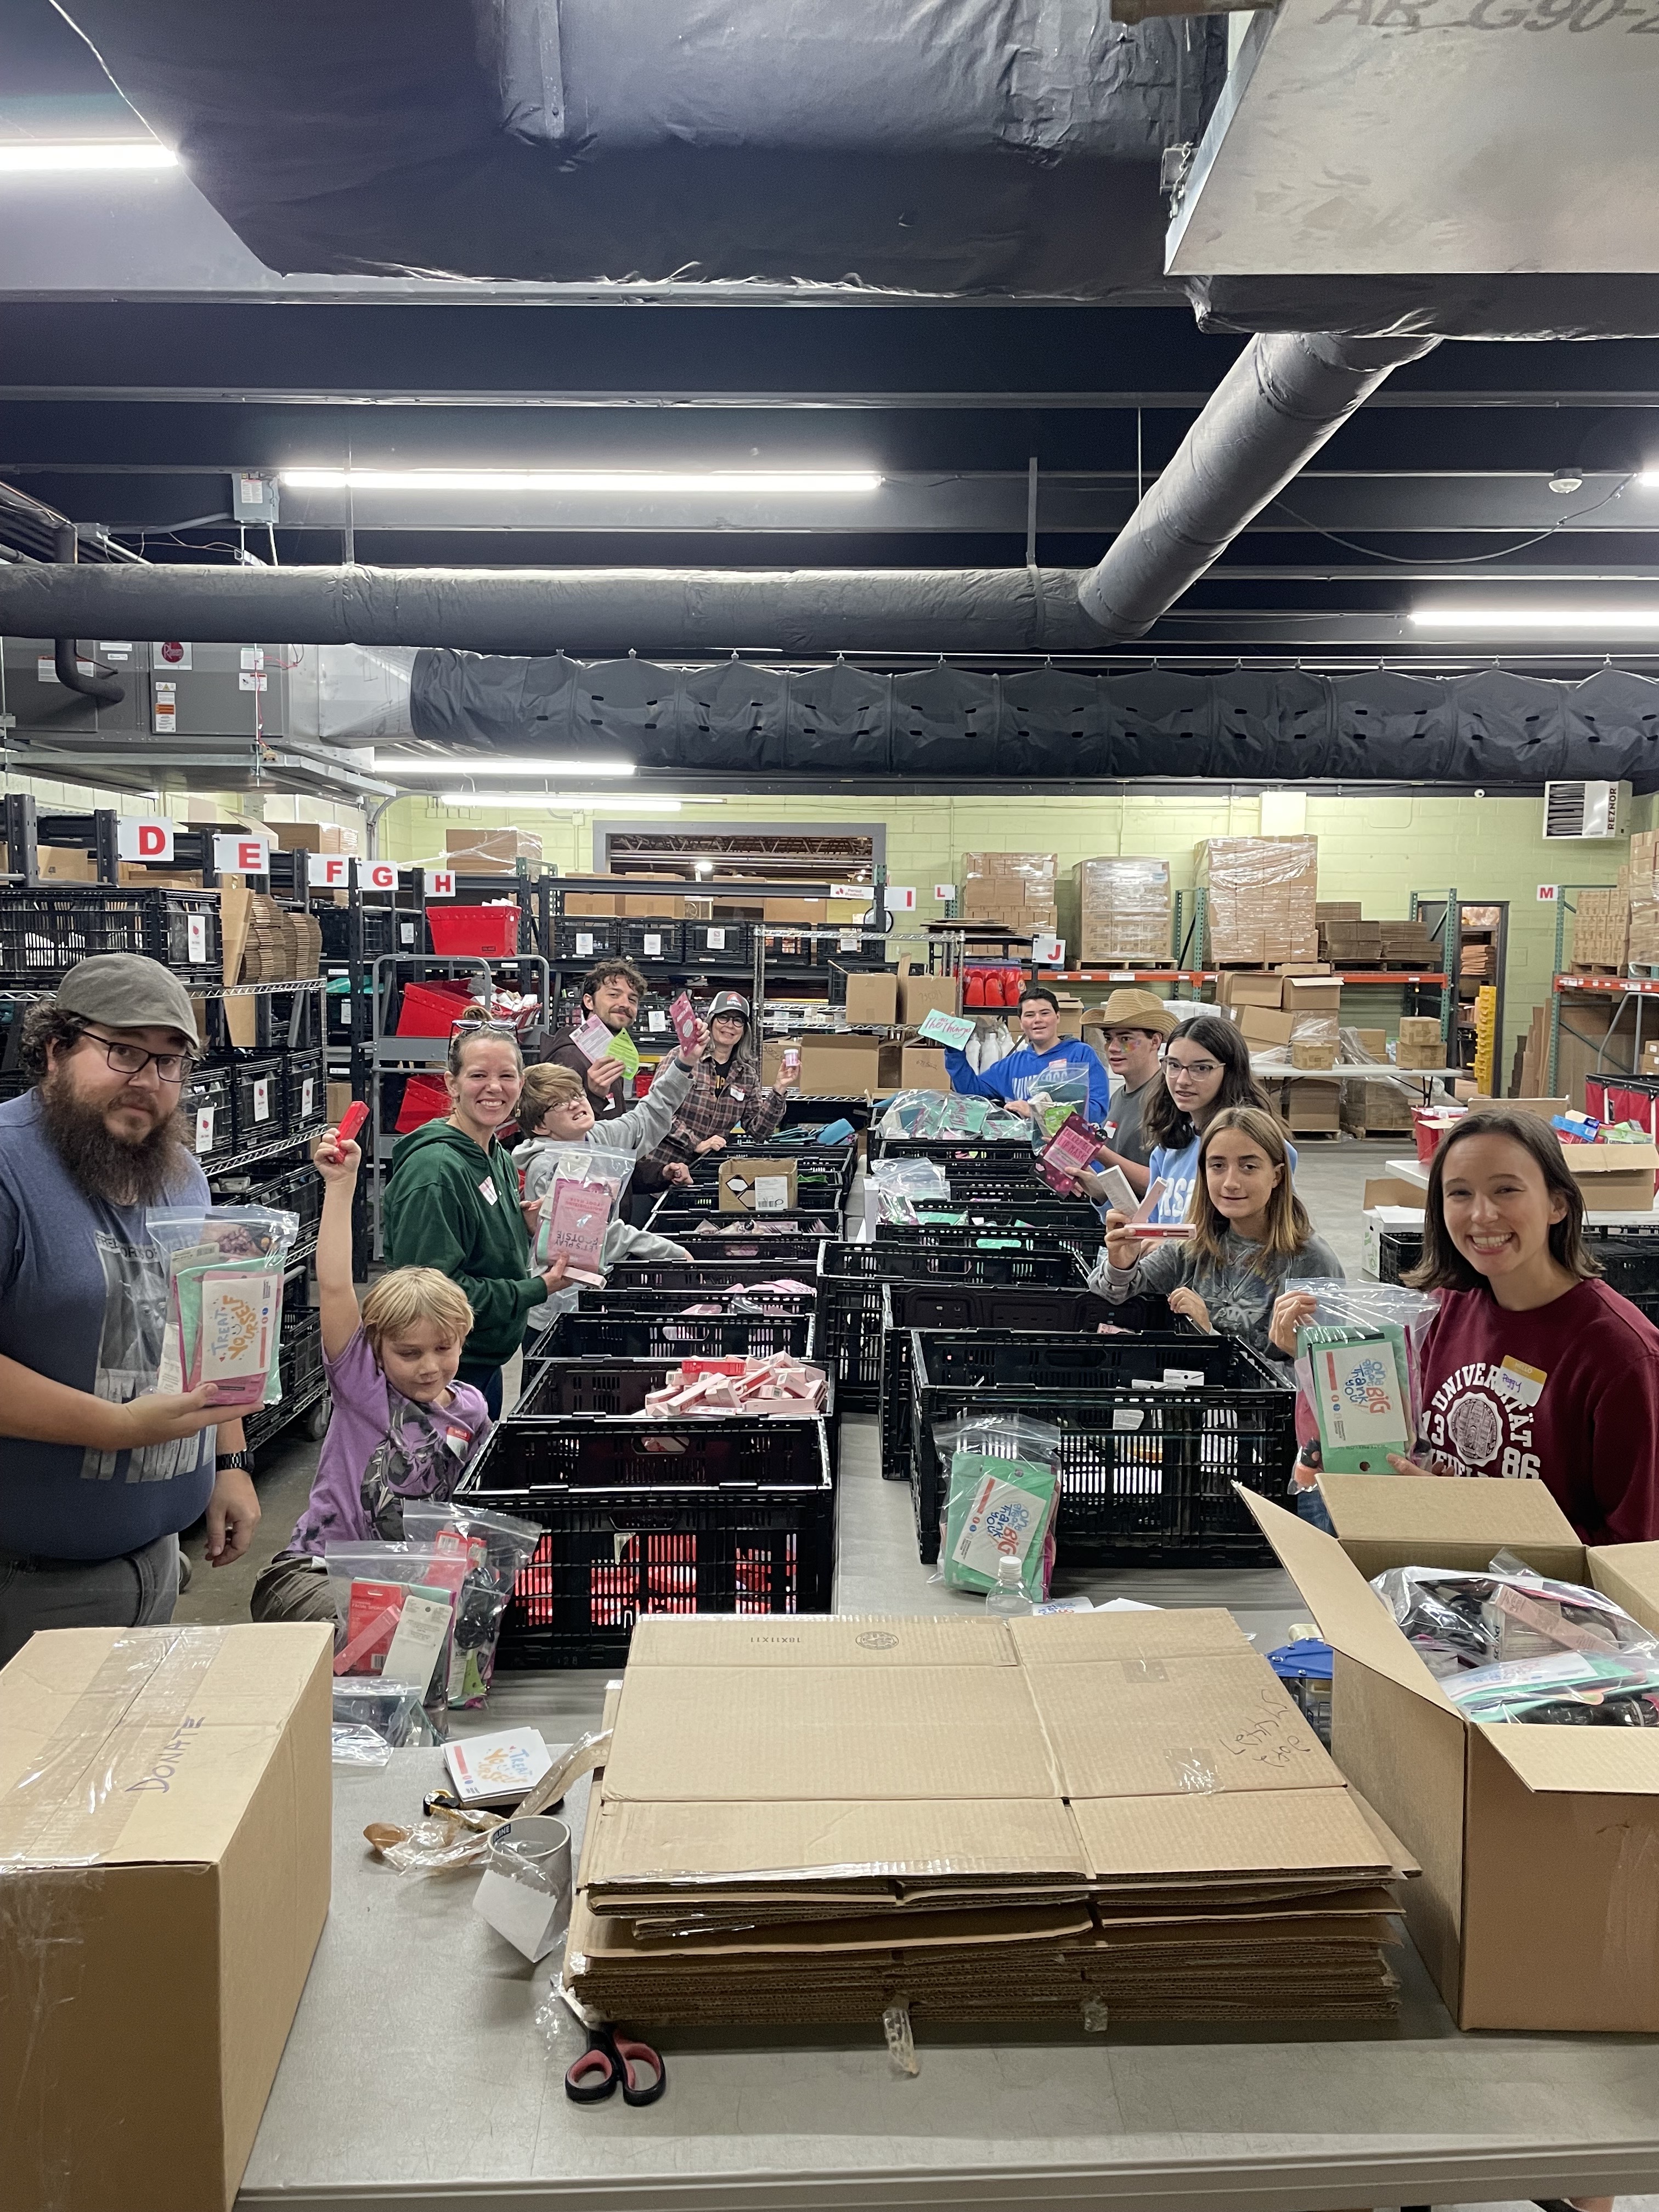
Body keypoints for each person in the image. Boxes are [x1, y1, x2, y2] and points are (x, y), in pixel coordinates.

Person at [0, 954, 259, 1667]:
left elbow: (206, 1314)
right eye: (124, 1053)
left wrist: (229, 1459)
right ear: (55, 1049)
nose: (149, 1081)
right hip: (30, 1587)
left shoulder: (178, 1173)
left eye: (170, 1062)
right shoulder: (7, 1168)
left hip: (157, 1565)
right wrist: (114, 1428)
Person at [1338, 1108, 1657, 1545]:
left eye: (1506, 1190)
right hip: (1447, 1582)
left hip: (1560, 1607)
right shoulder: (1446, 1308)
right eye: (1460, 1193)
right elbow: (1417, 1447)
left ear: (1557, 1203)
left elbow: (1635, 1548)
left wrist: (1472, 1518)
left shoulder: (1622, 1354)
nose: (1482, 1215)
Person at [250, 1121, 493, 1624]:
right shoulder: (363, 1387)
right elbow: (336, 1286)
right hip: (320, 1572)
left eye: (443, 1349)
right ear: (376, 1349)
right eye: (408, 1353)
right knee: (378, 1635)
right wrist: (340, 1188)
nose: (429, 1367)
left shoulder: (472, 1409)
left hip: (418, 1585)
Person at [381, 1020, 569, 1418]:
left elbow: (468, 1235)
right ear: (452, 1084)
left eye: (506, 1076)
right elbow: (433, 1295)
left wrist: (518, 1224)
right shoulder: (435, 1173)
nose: (494, 1088)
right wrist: (537, 1289)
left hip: (483, 1357)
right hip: (444, 1372)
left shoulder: (492, 1151)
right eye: (478, 1075)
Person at [1093, 1107, 1341, 1362]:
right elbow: (1111, 1296)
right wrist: (1121, 1263)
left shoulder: (1311, 1262)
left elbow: (1326, 1378)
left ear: (1276, 1176)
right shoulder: (1194, 1244)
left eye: (1249, 1167)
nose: (1230, 1183)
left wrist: (1210, 1335)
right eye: (1218, 1166)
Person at [513, 1024, 707, 1337]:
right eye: (559, 1103)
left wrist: (684, 1063)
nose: (576, 1103)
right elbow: (594, 1234)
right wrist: (663, 1249)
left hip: (592, 1293)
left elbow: (645, 1118)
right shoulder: (549, 1167)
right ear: (539, 1126)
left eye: (576, 1094)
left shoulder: (596, 1137)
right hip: (556, 1311)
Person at [1134, 1013, 1290, 1228]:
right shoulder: (1168, 1149)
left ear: (1231, 1071)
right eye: (1174, 1065)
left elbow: (1266, 1233)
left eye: (1201, 1068)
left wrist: (1171, 1248)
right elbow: (1151, 1223)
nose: (1182, 1080)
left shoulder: (1260, 1145)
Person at [637, 990, 793, 1182]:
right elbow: (657, 1111)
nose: (730, 1025)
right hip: (662, 1168)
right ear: (711, 1022)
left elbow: (758, 1131)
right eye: (724, 1018)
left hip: (706, 1173)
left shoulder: (747, 1076)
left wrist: (779, 1090)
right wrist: (696, 1143)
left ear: (744, 1030)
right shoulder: (685, 1057)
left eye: (738, 1021)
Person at [943, 986, 1111, 1120]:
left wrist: (1038, 1112)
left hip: (1073, 1157)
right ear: (1022, 1024)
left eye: (1045, 1013)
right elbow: (972, 1092)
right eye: (1030, 1015)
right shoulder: (1012, 1065)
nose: (1038, 1020)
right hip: (1025, 1156)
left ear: (1058, 1017)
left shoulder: (1080, 1055)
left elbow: (1097, 1110)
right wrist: (954, 1050)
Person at [537, 958, 648, 1131]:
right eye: (614, 995)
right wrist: (594, 1095)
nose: (625, 1004)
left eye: (632, 1000)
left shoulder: (609, 1051)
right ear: (589, 1002)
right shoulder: (568, 1057)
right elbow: (557, 1131)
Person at [1088, 987, 1177, 1197]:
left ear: (1155, 1042)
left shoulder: (1169, 1098)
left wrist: (1100, 1153)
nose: (1112, 1048)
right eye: (1109, 1038)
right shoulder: (1118, 1097)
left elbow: (1168, 1185)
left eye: (1126, 1039)